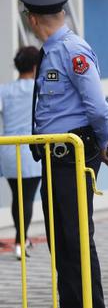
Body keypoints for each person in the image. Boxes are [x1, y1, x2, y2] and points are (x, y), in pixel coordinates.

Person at [17, 0, 108, 308]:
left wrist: (104, 145)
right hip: (55, 158)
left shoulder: (71, 49)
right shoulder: (51, 49)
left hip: (73, 156)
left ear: (31, 18)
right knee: (62, 243)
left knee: (76, 241)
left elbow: (97, 106)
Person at [0, 47, 42, 260]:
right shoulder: (39, 88)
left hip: (7, 150)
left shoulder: (4, 90)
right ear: (36, 66)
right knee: (27, 199)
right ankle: (19, 241)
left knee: (18, 197)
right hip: (31, 150)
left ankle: (22, 239)